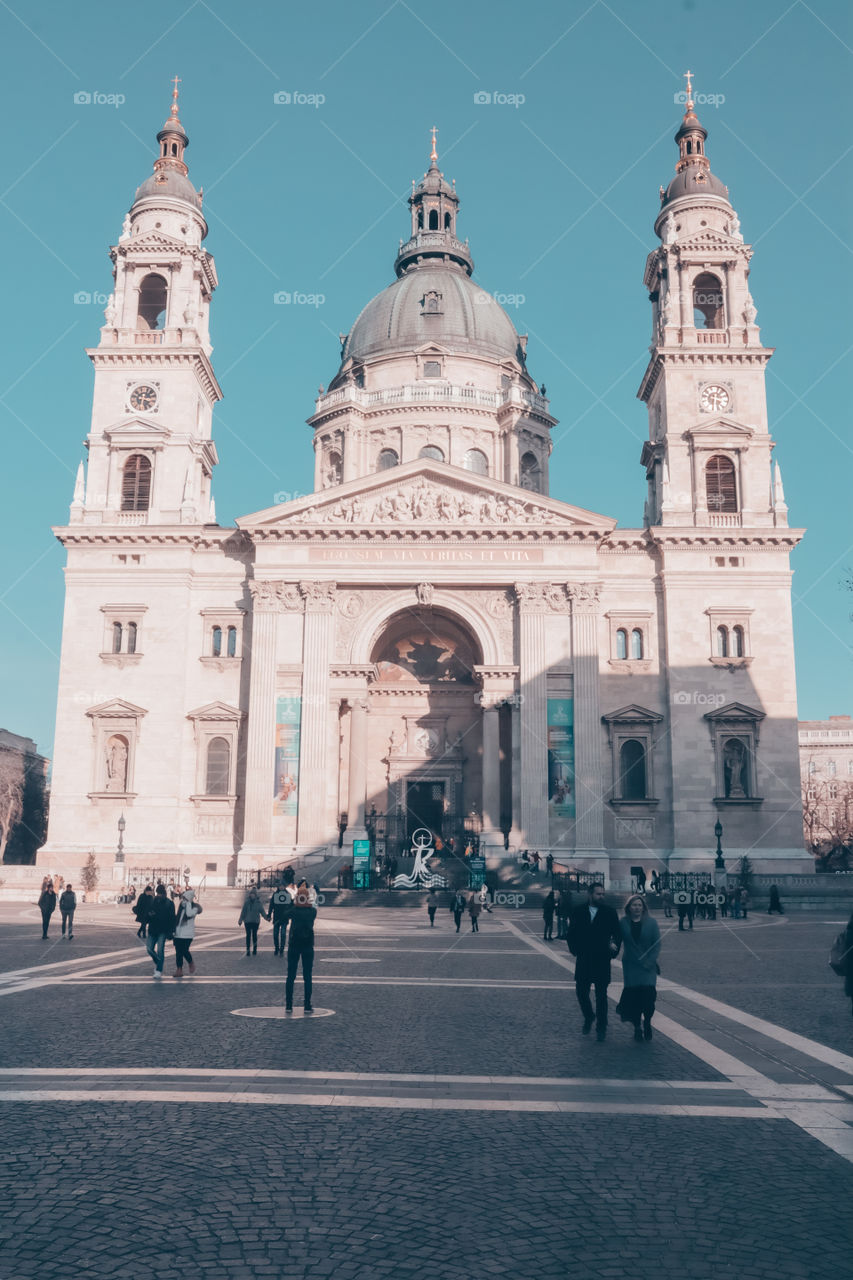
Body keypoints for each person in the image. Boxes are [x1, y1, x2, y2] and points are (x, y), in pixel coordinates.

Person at [567, 883, 621, 1041]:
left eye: (603, 894)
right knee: (581, 992)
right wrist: (574, 950)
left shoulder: (610, 912)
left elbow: (617, 934)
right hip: (584, 958)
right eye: (598, 894)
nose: (601, 897)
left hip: (602, 958)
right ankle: (589, 1016)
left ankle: (601, 1028)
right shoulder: (578, 911)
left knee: (601, 996)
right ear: (589, 894)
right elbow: (571, 933)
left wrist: (614, 951)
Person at [616, 894, 661, 1042]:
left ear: (643, 908)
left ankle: (647, 1021)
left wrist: (650, 962)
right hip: (631, 966)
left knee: (648, 999)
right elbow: (616, 938)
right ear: (629, 907)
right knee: (634, 999)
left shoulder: (652, 923)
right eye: (634, 905)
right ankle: (637, 1027)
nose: (637, 908)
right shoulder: (623, 923)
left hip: (648, 967)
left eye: (639, 905)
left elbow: (657, 944)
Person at [286, 884, 316, 1012]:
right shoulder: (312, 911)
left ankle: (288, 1005)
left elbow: (284, 915)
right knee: (307, 976)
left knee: (291, 976)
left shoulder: (293, 910)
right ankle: (307, 1005)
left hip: (294, 945)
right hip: (308, 946)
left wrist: (294, 903)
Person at [146, 884, 176, 979]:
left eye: (161, 894)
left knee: (160, 950)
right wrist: (149, 915)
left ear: (164, 894)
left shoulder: (169, 903)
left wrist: (172, 931)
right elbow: (147, 913)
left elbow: (172, 918)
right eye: (158, 893)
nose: (159, 895)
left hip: (163, 930)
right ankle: (158, 962)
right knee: (149, 949)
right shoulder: (152, 901)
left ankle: (159, 970)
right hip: (152, 929)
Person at [172, 887, 202, 977]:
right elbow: (177, 918)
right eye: (183, 898)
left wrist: (188, 903)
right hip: (178, 933)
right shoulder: (182, 906)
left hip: (188, 934)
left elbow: (189, 914)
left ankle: (190, 962)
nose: (183, 900)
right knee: (178, 952)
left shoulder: (195, 908)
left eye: (185, 898)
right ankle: (179, 970)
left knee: (184, 950)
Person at [267, 882, 293, 955]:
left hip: (284, 917)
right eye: (280, 886)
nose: (281, 887)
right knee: (275, 934)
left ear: (284, 887)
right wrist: (269, 915)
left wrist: (290, 914)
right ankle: (276, 948)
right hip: (276, 917)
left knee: (283, 934)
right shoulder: (275, 895)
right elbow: (271, 905)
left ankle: (281, 948)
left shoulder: (288, 895)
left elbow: (291, 906)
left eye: (282, 886)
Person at [238, 886, 264, 956]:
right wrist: (240, 920)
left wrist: (267, 917)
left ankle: (255, 949)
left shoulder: (258, 903)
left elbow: (262, 911)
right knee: (248, 935)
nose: (252, 895)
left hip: (255, 921)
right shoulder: (246, 903)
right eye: (251, 894)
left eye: (253, 894)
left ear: (256, 895)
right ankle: (248, 950)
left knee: (254, 935)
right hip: (247, 921)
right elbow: (243, 912)